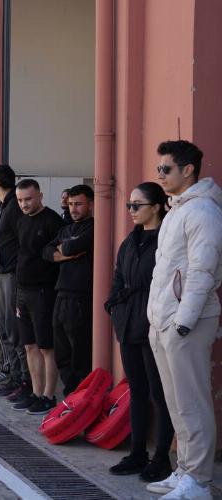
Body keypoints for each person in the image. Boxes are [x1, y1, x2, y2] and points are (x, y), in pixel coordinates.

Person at [145, 140, 221, 499]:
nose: (160, 175)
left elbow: (203, 272)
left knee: (192, 402)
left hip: (186, 322)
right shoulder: (177, 209)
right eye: (159, 169)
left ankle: (199, 481)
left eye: (166, 169)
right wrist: (158, 320)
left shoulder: (203, 211)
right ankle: (186, 470)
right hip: (166, 321)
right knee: (176, 403)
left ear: (187, 170)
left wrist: (183, 323)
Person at [105, 182, 174, 482]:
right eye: (129, 205)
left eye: (137, 205)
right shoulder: (130, 241)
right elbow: (118, 276)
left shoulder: (166, 240)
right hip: (128, 322)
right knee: (137, 389)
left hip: (153, 323)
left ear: (156, 207)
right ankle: (137, 453)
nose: (131, 210)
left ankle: (161, 457)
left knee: (160, 392)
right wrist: (113, 305)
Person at [11, 179, 64, 415]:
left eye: (28, 199)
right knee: (29, 345)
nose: (24, 204)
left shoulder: (53, 221)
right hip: (22, 291)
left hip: (44, 292)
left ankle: (49, 396)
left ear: (40, 196)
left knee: (46, 347)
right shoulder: (21, 220)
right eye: (20, 200)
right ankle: (36, 392)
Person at [44, 184, 94, 395]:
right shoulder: (66, 229)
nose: (73, 208)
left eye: (78, 204)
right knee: (61, 351)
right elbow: (47, 252)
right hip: (61, 295)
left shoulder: (94, 227)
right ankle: (69, 397)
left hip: (81, 297)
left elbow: (71, 246)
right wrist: (67, 254)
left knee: (79, 352)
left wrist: (65, 249)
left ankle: (82, 399)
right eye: (71, 204)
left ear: (91, 204)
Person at [0, 164, 30, 400]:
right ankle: (15, 375)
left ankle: (23, 379)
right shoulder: (6, 205)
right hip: (4, 272)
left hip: (12, 274)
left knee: (13, 328)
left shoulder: (13, 205)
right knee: (5, 326)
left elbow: (22, 240)